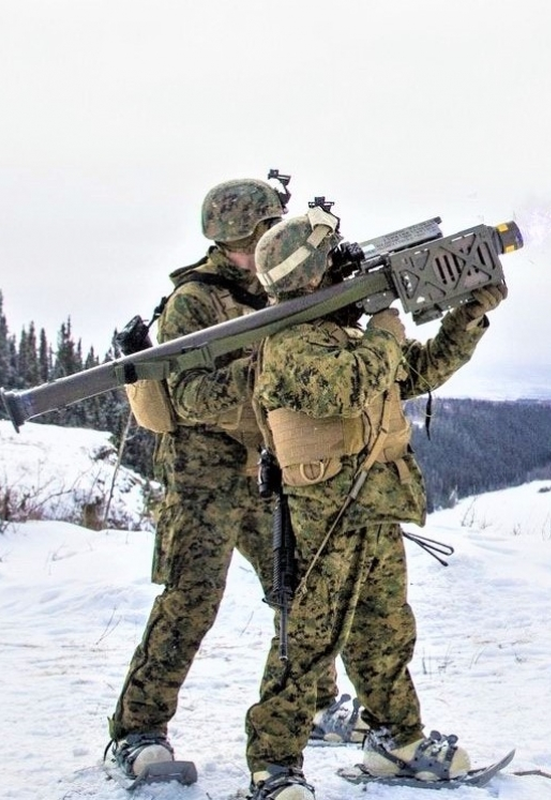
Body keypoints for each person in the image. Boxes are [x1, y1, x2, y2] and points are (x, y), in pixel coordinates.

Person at [241, 209, 505, 800]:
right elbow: (349, 386)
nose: (344, 268)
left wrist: (470, 314)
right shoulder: (289, 343)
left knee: (384, 630)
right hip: (326, 512)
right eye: (332, 261)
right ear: (309, 276)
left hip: (374, 502)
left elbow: (418, 370)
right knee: (309, 638)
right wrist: (387, 325)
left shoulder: (342, 336)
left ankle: (397, 738)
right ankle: (272, 765)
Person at [105, 179, 359, 781]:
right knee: (192, 597)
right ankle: (137, 729)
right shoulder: (196, 300)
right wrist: (270, 372)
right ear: (229, 238)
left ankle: (317, 704)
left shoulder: (280, 283)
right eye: (258, 235)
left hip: (265, 463)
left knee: (297, 589)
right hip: (204, 472)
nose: (268, 243)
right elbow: (189, 395)